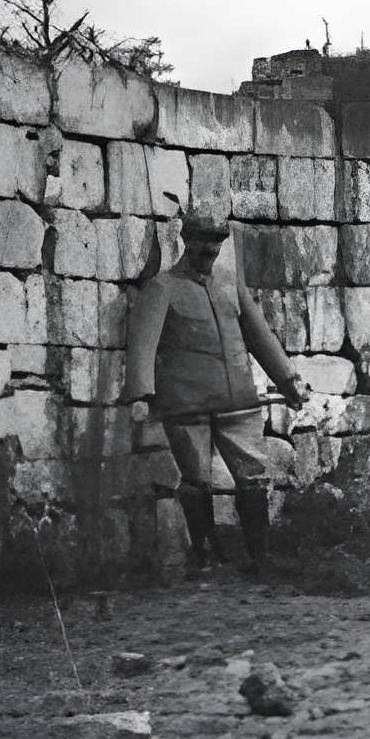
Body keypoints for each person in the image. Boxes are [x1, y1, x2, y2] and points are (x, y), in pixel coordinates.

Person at [124, 209, 307, 573]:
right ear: (186, 240)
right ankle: (204, 554)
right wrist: (141, 394)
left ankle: (260, 555)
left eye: (217, 242)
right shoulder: (163, 288)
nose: (210, 249)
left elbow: (259, 335)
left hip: (238, 400)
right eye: (203, 241)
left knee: (253, 474)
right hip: (185, 403)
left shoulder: (228, 284)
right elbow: (143, 344)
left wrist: (289, 381)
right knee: (196, 479)